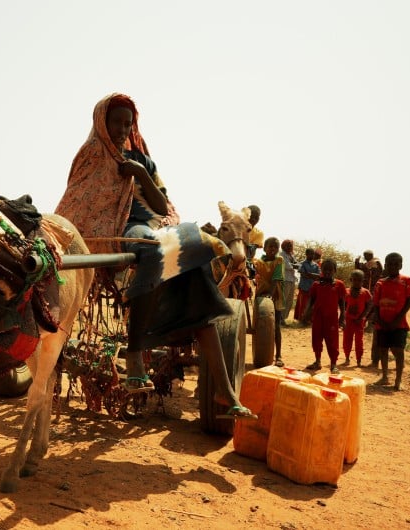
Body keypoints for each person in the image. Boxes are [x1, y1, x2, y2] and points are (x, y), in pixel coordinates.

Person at [55, 93, 256, 420]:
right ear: (102, 122)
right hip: (124, 228)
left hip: (158, 225)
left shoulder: (143, 160)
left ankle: (224, 390)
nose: (122, 129)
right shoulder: (92, 155)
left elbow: (162, 206)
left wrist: (140, 173)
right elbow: (80, 201)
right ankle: (136, 353)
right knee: (151, 246)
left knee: (196, 260)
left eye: (128, 124)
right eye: (116, 122)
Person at [371, 252, 410, 390]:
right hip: (382, 324)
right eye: (390, 264)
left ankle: (398, 380)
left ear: (401, 265)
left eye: (396, 264)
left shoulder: (406, 281)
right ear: (385, 265)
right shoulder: (380, 283)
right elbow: (376, 304)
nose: (393, 267)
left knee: (398, 351)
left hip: (399, 324)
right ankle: (384, 377)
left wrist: (398, 319)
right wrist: (379, 320)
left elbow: (409, 301)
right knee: (383, 350)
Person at [302, 259, 346, 374]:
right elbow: (311, 299)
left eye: (330, 270)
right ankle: (317, 362)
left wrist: (342, 316)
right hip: (318, 317)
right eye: (325, 269)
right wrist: (306, 312)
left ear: (335, 270)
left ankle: (333, 364)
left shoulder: (339, 285)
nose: (327, 272)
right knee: (316, 339)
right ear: (321, 270)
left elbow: (342, 302)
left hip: (332, 319)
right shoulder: (316, 285)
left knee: (332, 341)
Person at [254, 237, 285, 367]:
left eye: (276, 247)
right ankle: (263, 354)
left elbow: (276, 279)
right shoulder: (258, 262)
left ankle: (278, 355)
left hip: (275, 294)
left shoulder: (279, 260)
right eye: (270, 246)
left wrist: (270, 295)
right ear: (265, 248)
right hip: (261, 294)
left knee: (276, 325)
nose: (273, 249)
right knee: (260, 325)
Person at [343, 269, 373, 367]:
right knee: (347, 340)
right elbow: (343, 305)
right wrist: (343, 317)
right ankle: (347, 358)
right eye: (355, 280)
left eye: (359, 280)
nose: (357, 282)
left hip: (359, 321)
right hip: (348, 320)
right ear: (351, 280)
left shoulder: (365, 292)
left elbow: (369, 305)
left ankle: (359, 360)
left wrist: (362, 317)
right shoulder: (346, 291)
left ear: (363, 280)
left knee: (359, 341)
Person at [293, 248, 321, 322]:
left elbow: (319, 275)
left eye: (313, 254)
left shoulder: (316, 265)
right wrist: (312, 276)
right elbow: (303, 274)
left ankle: (309, 319)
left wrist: (309, 274)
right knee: (303, 303)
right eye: (310, 254)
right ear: (306, 254)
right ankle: (302, 319)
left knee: (311, 303)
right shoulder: (302, 263)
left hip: (312, 287)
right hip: (304, 286)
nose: (311, 255)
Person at [280, 239, 298, 322]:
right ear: (283, 246)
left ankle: (284, 318)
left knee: (289, 301)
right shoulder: (281, 254)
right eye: (288, 246)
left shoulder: (291, 255)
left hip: (292, 279)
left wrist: (295, 265)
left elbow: (297, 264)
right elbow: (287, 266)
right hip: (285, 279)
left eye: (291, 246)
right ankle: (280, 319)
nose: (290, 247)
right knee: (283, 300)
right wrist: (295, 266)